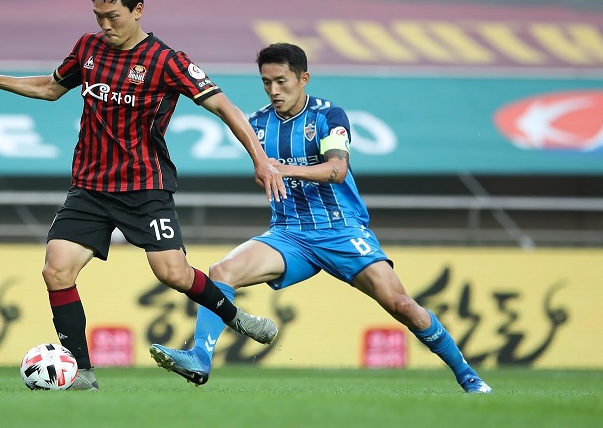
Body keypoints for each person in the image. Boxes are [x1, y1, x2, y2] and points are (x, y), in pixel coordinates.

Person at [0, 0, 286, 391]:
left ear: (138, 10)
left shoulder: (167, 61)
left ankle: (236, 318)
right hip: (90, 187)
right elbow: (50, 88)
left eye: (113, 16)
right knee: (56, 270)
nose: (105, 25)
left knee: (173, 274)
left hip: (144, 187)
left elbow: (225, 107)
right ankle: (83, 372)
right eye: (98, 16)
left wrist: (261, 160)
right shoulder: (87, 48)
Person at [149, 43, 492, 394]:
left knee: (401, 304)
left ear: (304, 78)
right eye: (266, 82)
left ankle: (469, 377)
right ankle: (200, 358)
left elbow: (337, 170)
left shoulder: (328, 116)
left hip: (341, 230)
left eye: (281, 81)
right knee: (222, 271)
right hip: (289, 234)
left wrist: (281, 168)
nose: (273, 90)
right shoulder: (258, 124)